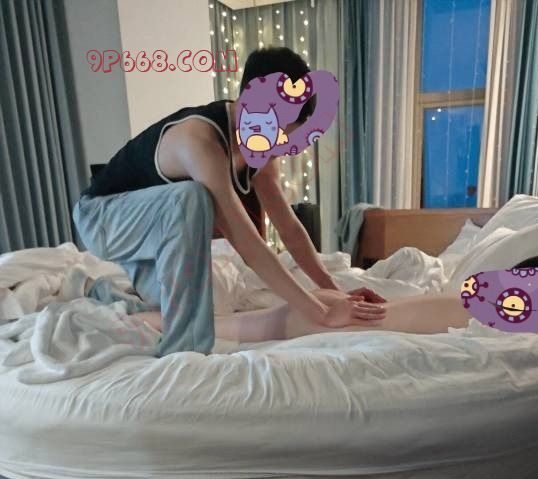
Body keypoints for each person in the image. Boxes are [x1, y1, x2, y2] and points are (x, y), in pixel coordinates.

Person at [72, 47, 386, 358]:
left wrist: (336, 291)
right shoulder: (198, 140)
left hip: (153, 229)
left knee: (186, 308)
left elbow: (289, 229)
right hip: (101, 218)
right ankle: (184, 352)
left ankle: (101, 293)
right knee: (191, 198)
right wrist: (322, 313)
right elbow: (245, 240)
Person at [133, 254, 538, 347]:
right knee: (224, 328)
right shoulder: (504, 313)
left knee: (225, 325)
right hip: (336, 317)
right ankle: (140, 318)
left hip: (339, 309)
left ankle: (144, 315)